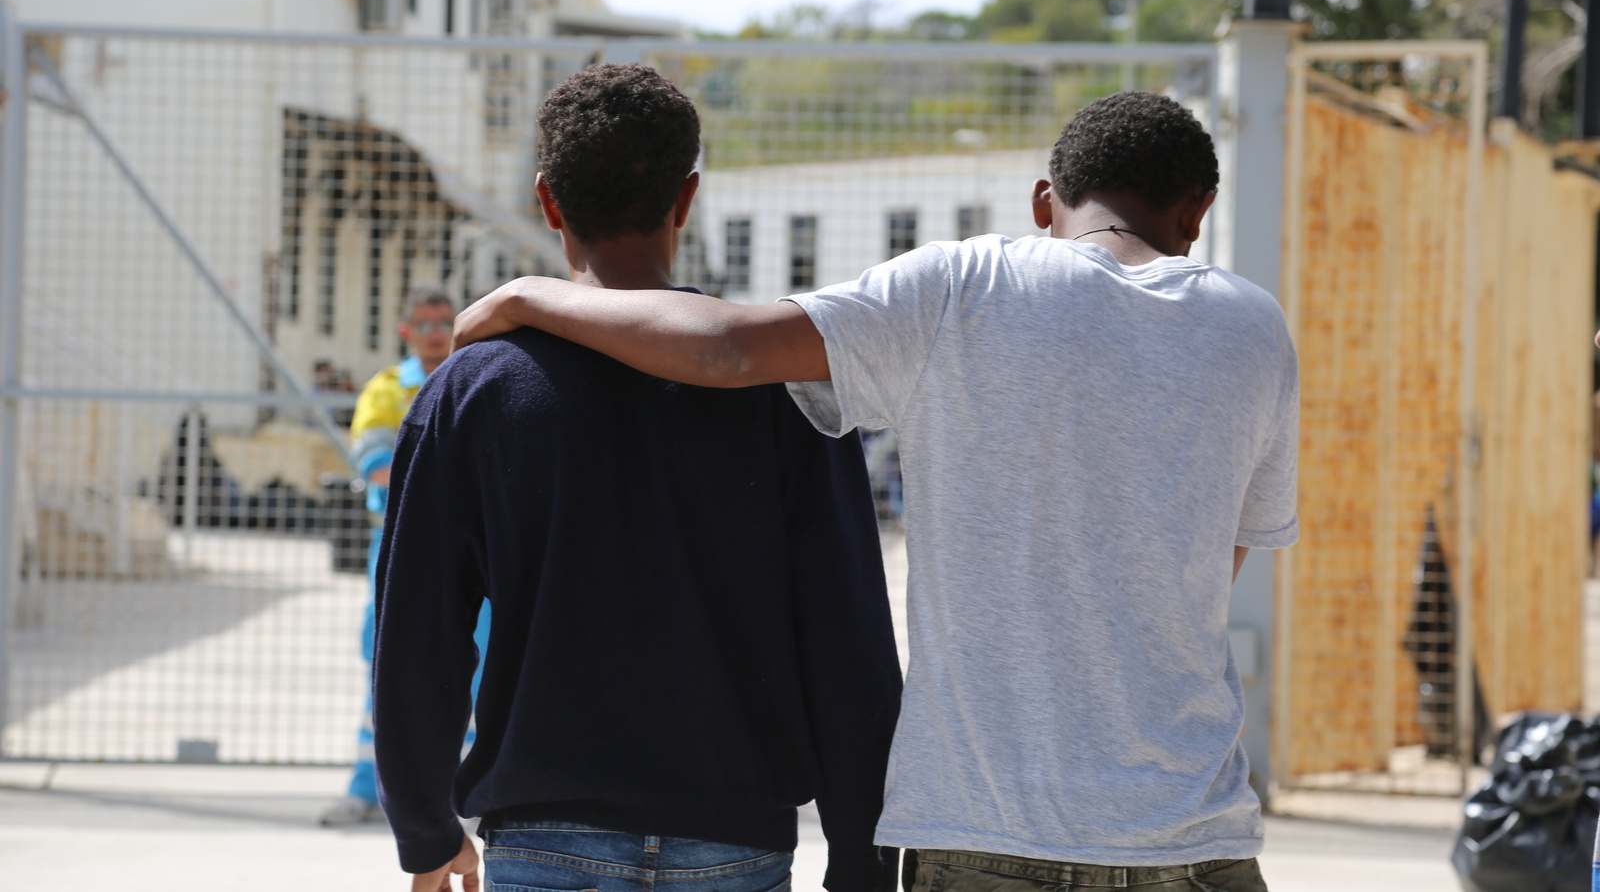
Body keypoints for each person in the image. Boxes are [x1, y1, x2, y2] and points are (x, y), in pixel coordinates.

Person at [455, 91, 1299, 892]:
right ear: (1198, 213)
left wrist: (536, 295)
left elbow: (727, 353)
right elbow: (1204, 575)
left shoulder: (966, 288)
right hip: (1197, 834)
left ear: (1044, 202)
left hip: (986, 832)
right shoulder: (1256, 330)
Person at [372, 64, 902, 892]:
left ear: (548, 202)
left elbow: (417, 630)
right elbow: (846, 636)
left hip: (543, 839)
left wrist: (425, 824)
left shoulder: (471, 391)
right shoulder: (782, 387)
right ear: (686, 200)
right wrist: (862, 855)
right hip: (735, 839)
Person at [320, 287, 492, 827]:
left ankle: (466, 794)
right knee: (387, 666)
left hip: (472, 551)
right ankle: (368, 789)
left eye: (445, 321)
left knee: (482, 663)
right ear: (406, 332)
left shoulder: (480, 375)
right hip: (399, 550)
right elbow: (374, 463)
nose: (437, 332)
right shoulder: (388, 390)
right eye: (425, 324)